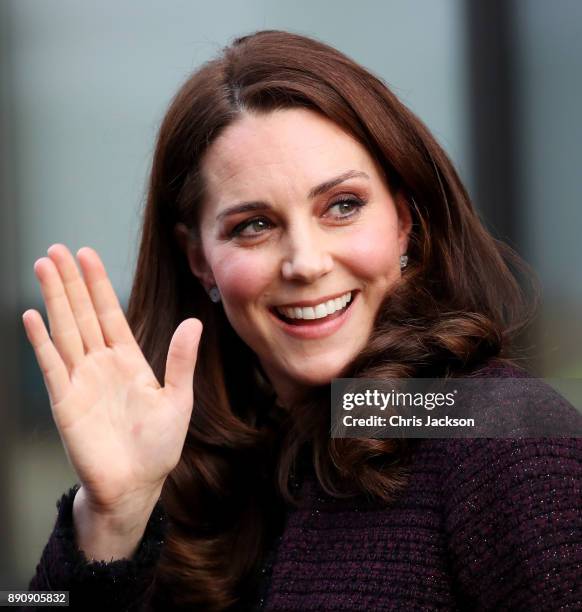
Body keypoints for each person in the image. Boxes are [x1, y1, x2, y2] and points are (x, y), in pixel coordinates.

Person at [22, 30, 581, 611]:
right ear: (200, 262)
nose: (307, 264)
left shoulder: (498, 424)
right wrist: (109, 519)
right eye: (254, 225)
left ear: (404, 221)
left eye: (342, 206)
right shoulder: (203, 467)